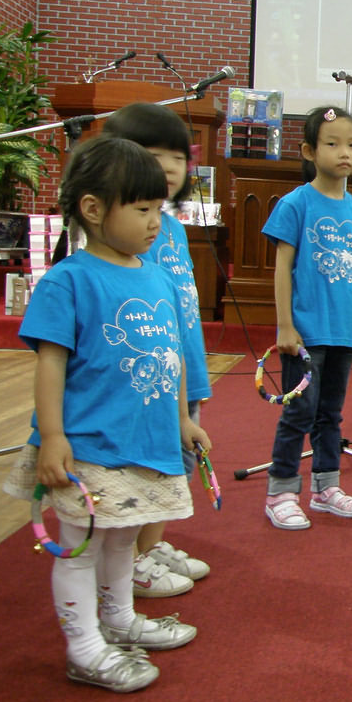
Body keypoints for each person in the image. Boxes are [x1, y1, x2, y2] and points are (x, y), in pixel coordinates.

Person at [1, 136, 210, 692]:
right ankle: (84, 647)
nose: (154, 222)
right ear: (93, 210)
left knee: (121, 539)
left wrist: (183, 419)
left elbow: (173, 353)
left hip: (145, 437)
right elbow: (50, 362)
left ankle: (118, 622)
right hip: (89, 443)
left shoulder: (157, 276)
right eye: (142, 210)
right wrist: (51, 437)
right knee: (82, 546)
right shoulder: (70, 279)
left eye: (158, 210)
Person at [103, 102, 211, 597]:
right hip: (145, 372)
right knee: (149, 470)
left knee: (177, 466)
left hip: (182, 367)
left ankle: (150, 548)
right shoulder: (122, 230)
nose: (167, 168)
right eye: (152, 154)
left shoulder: (173, 228)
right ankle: (135, 560)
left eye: (176, 156)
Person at [261, 105, 352, 530]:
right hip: (306, 332)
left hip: (343, 331)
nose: (344, 152)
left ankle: (326, 488)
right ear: (309, 151)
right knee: (299, 412)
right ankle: (281, 492)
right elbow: (282, 268)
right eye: (332, 144)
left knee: (331, 413)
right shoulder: (296, 204)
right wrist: (285, 326)